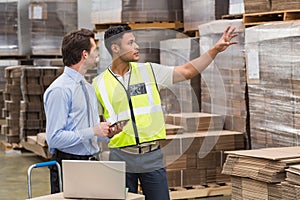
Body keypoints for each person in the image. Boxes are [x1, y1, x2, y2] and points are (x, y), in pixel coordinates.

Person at [92, 25, 238, 200]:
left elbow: (187, 71)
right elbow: (97, 125)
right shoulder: (98, 84)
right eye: (130, 43)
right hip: (120, 158)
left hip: (152, 156)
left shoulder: (149, 71)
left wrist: (215, 50)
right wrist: (107, 132)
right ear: (115, 48)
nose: (136, 46)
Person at [43, 28, 121, 194]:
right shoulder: (60, 90)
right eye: (96, 50)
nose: (98, 54)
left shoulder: (87, 88)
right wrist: (92, 130)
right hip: (68, 164)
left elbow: (88, 130)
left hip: (92, 161)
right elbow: (54, 138)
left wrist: (106, 132)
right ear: (85, 54)